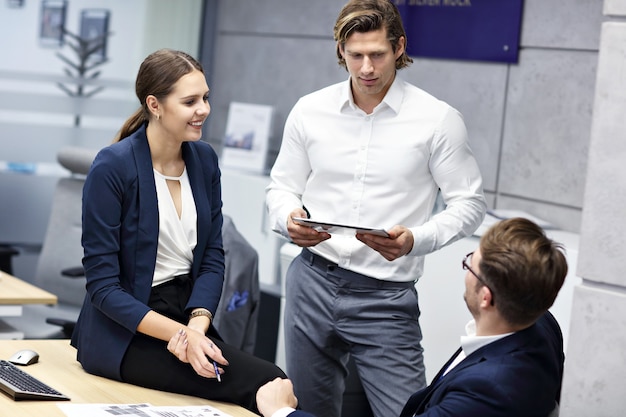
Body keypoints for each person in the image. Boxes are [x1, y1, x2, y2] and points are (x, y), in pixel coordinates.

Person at [264, 1, 486, 416]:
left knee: (405, 412)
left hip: (385, 297)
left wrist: (416, 240)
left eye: (378, 54)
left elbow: (470, 203)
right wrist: (287, 219)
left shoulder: (437, 120)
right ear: (340, 51)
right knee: (305, 410)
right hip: (310, 281)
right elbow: (282, 187)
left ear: (399, 47)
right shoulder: (309, 111)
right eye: (355, 55)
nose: (367, 68)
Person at [70, 48, 286, 414]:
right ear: (154, 105)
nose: (203, 109)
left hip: (186, 316)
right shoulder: (113, 167)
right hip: (127, 331)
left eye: (205, 98)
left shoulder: (203, 160)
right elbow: (104, 288)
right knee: (268, 383)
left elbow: (213, 257)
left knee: (272, 385)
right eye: (190, 101)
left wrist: (196, 328)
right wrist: (181, 336)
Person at [256, 217, 568, 417]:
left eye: (470, 262)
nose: (467, 266)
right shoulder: (542, 325)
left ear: (486, 297)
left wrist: (282, 413)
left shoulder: (486, 391)